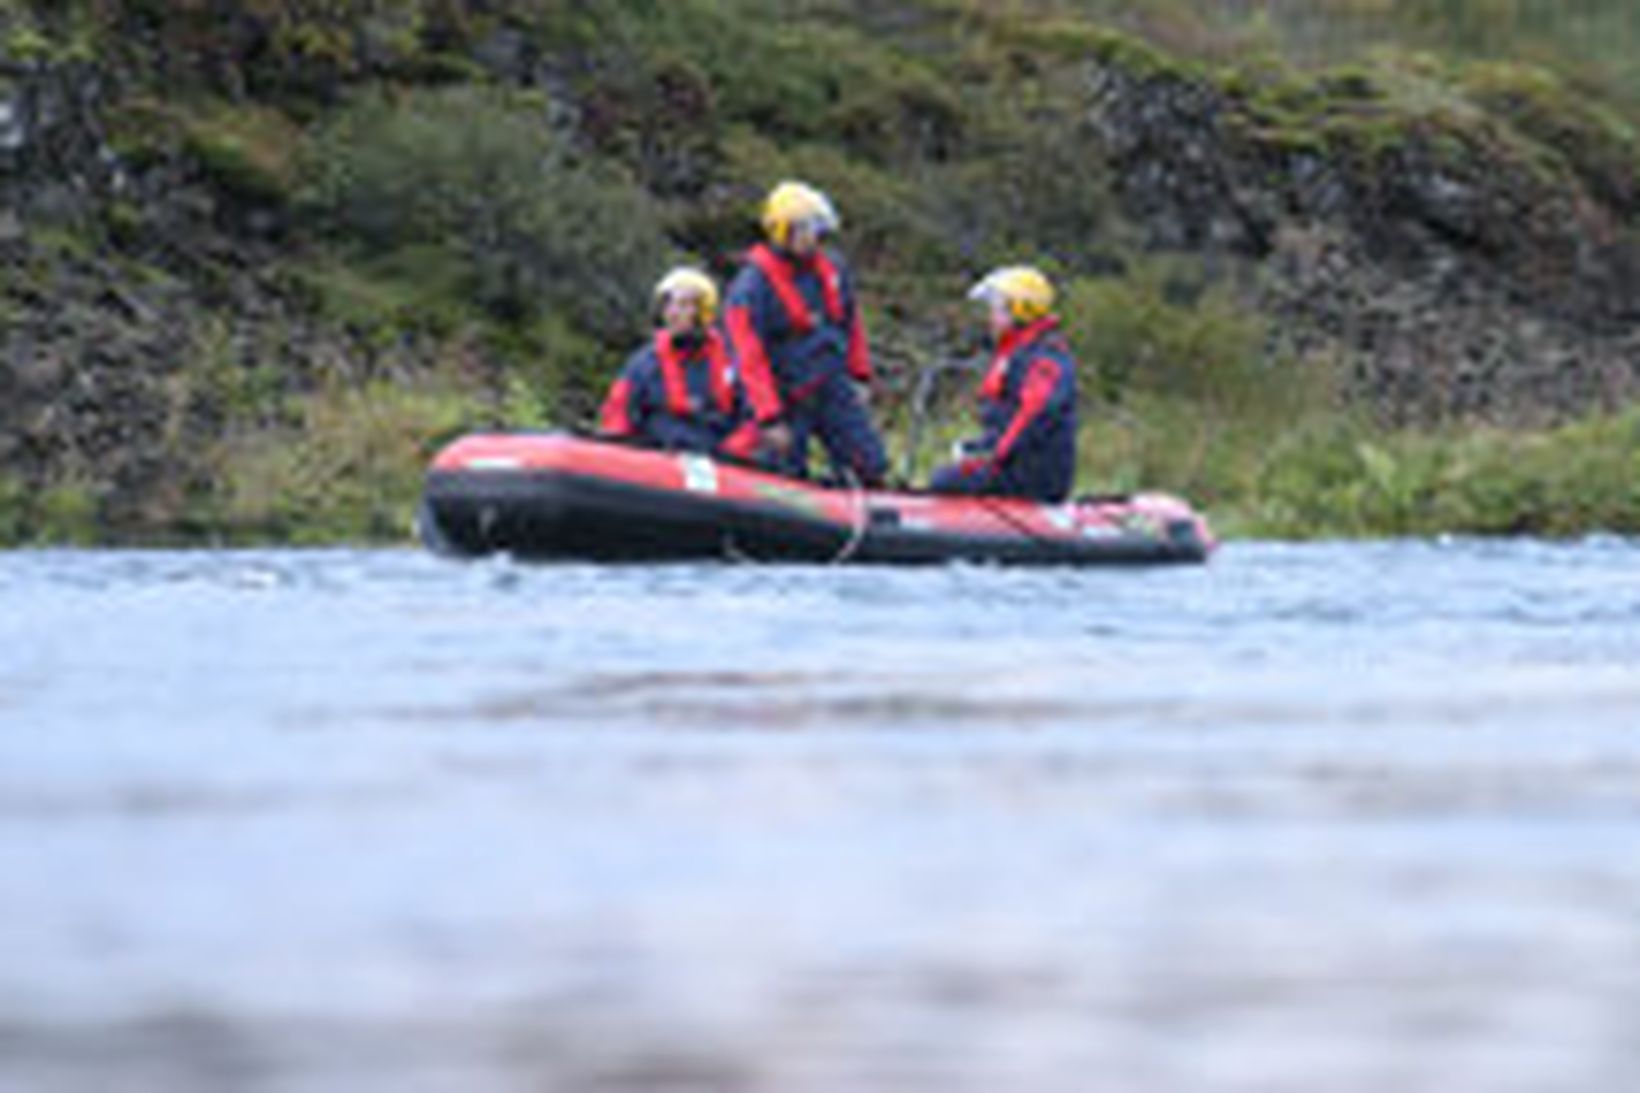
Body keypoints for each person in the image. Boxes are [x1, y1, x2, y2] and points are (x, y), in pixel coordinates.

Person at [724, 180, 888, 486]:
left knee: (869, 463)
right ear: (783, 230)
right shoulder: (751, 287)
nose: (815, 237)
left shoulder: (832, 271)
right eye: (806, 229)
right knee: (784, 478)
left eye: (816, 229)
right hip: (785, 397)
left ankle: (860, 510)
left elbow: (851, 326)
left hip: (830, 384)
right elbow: (748, 357)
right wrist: (769, 418)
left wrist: (861, 376)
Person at [930, 265, 1078, 503]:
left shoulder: (1045, 359)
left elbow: (1034, 415)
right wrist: (977, 447)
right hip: (1015, 467)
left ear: (1019, 312)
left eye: (997, 310)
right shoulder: (1018, 353)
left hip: (1035, 478)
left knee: (943, 481)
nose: (991, 318)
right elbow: (1006, 422)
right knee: (946, 476)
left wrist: (992, 456)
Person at [598, 267, 761, 461]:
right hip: (657, 459)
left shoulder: (731, 362)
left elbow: (752, 419)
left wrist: (730, 454)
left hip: (715, 460)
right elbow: (618, 412)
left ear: (703, 313)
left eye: (684, 306)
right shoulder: (644, 364)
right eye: (669, 306)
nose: (673, 313)